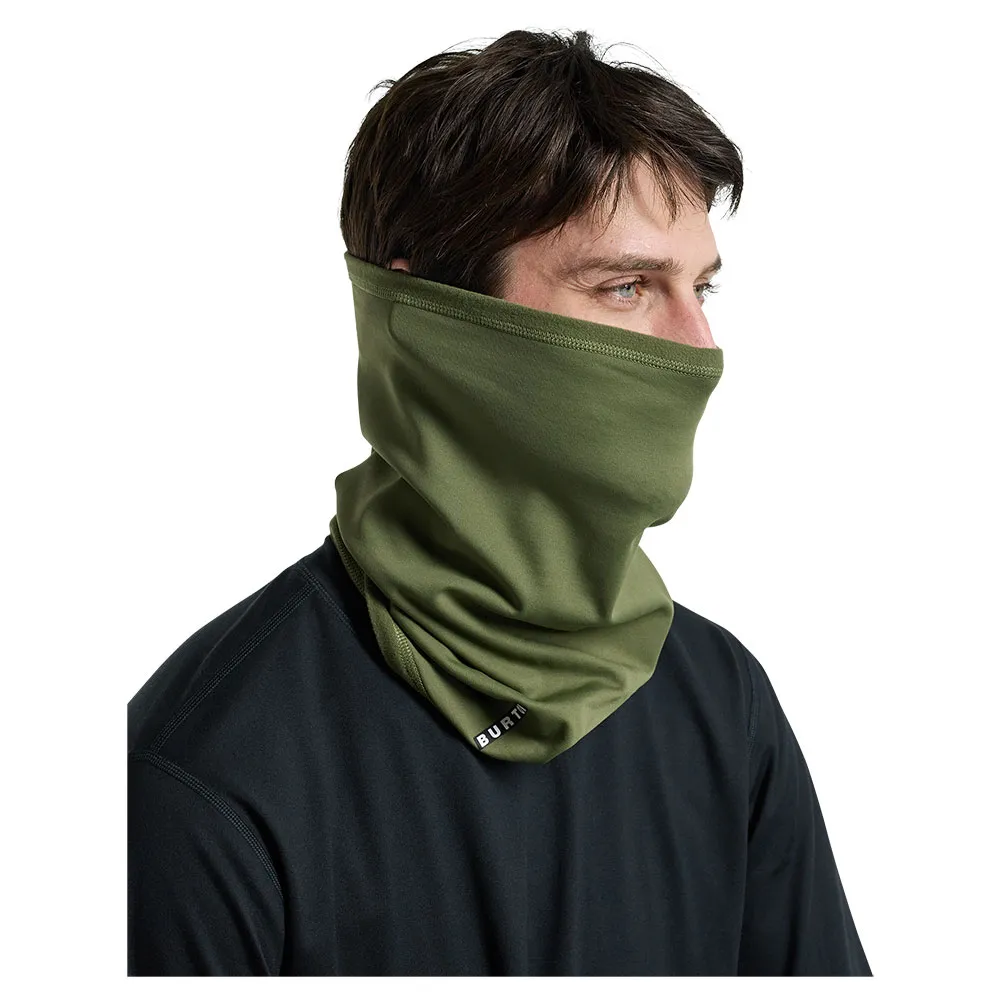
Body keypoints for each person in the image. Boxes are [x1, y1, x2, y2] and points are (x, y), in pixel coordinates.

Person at [127, 28, 872, 976]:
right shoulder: (204, 775)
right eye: (627, 286)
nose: (697, 347)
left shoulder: (722, 704)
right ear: (430, 323)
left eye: (702, 289)